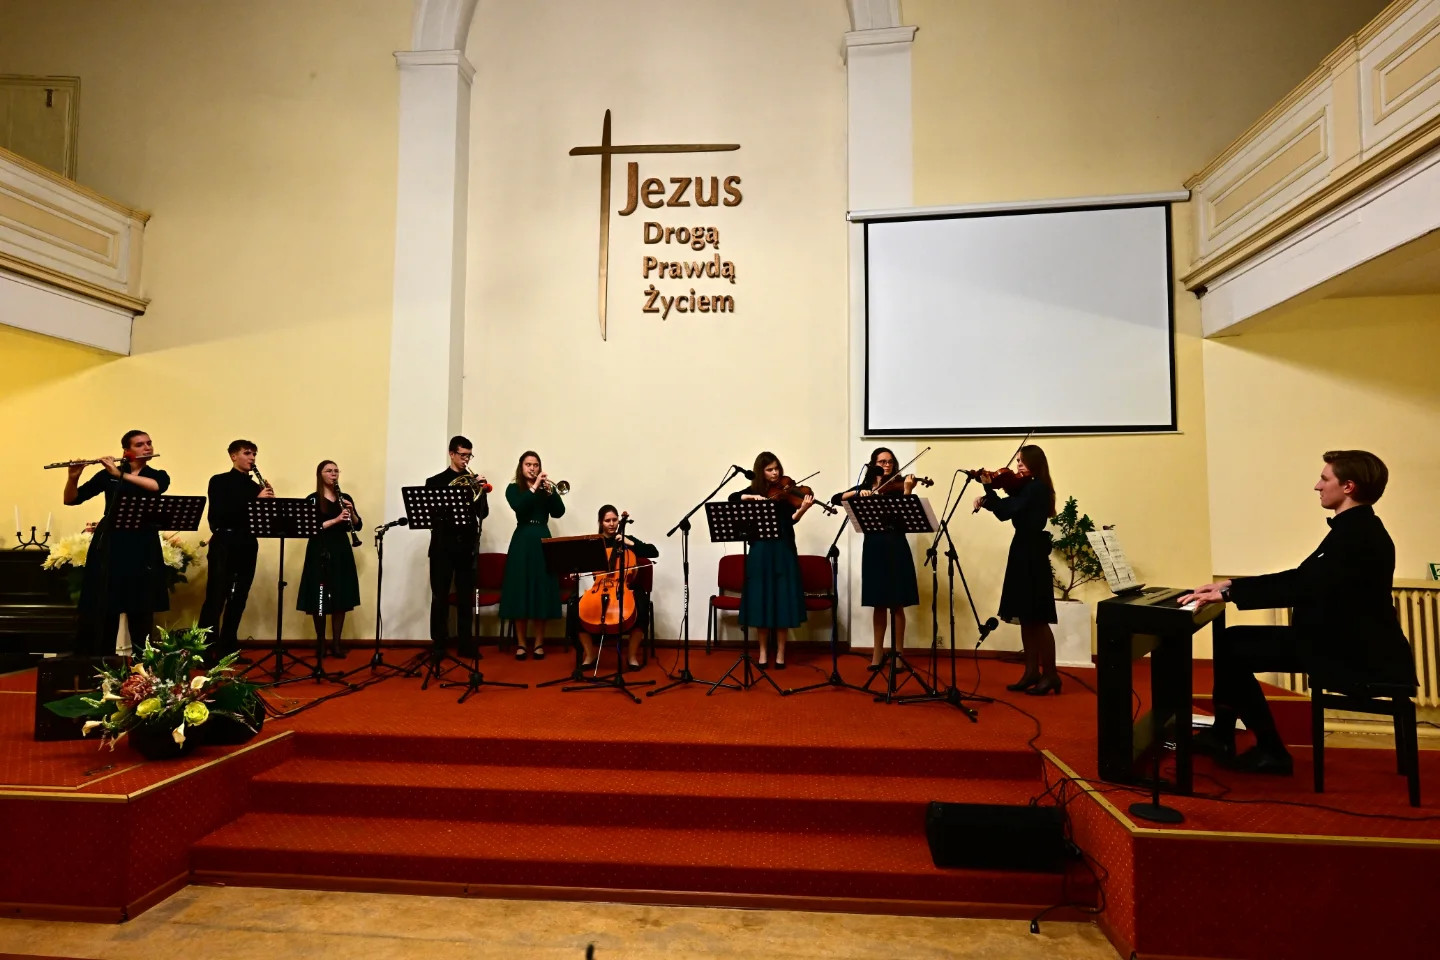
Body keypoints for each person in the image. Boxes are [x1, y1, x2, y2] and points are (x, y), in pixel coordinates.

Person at [1180, 450, 1416, 775]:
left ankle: (1270, 750)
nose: (1317, 486)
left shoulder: (1358, 535)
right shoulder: (1356, 528)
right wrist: (1230, 585)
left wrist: (1230, 593)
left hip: (1353, 653)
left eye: (1325, 479)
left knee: (1233, 647)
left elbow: (1303, 586)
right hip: (1343, 641)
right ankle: (1223, 735)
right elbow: (1304, 577)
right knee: (1232, 641)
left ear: (1348, 486)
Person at [62, 430, 170, 656]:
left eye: (149, 443)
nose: (148, 447)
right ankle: (104, 663)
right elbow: (71, 499)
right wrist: (73, 477)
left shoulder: (158, 475)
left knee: (141, 606)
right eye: (140, 444)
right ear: (127, 451)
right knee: (106, 604)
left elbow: (154, 487)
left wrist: (119, 474)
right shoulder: (107, 475)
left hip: (142, 545)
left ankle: (143, 664)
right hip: (111, 543)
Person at [972, 445, 1060, 695]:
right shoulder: (1027, 488)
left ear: (1035, 462)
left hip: (1031, 552)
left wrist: (988, 489)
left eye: (1022, 461)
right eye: (1018, 461)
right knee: (1026, 616)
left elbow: (1006, 511)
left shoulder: (1036, 488)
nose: (1018, 465)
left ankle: (1051, 675)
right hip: (1022, 549)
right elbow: (1005, 508)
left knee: (1037, 618)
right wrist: (988, 498)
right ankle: (1031, 672)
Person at [836, 447, 920, 670]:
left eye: (890, 461)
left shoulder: (899, 485)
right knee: (879, 603)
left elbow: (906, 515)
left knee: (897, 603)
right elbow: (837, 498)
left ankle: (899, 653)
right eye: (882, 461)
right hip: (874, 547)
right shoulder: (865, 486)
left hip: (896, 545)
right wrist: (859, 493)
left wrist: (908, 490)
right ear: (874, 464)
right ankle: (877, 652)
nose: (887, 465)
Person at [730, 451, 814, 669]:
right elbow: (733, 498)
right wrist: (751, 498)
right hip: (760, 550)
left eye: (777, 468)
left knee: (782, 599)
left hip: (783, 548)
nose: (775, 473)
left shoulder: (787, 492)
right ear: (761, 472)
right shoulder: (753, 490)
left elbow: (790, 521)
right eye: (769, 470)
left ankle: (780, 653)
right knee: (761, 599)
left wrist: (803, 510)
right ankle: (763, 652)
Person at [198, 439, 274, 661]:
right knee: (216, 597)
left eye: (254, 454)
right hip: (224, 542)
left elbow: (262, 522)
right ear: (233, 456)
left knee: (239, 598)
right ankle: (205, 651)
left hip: (247, 543)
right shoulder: (219, 481)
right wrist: (255, 501)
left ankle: (228, 648)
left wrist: (268, 504)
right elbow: (221, 515)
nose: (252, 458)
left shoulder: (255, 486)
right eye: (247, 453)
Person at [425, 435, 489, 659]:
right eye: (462, 455)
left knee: (465, 597)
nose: (466, 460)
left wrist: (481, 490)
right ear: (451, 454)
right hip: (442, 546)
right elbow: (430, 515)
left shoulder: (472, 481)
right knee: (439, 596)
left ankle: (465, 643)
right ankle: (439, 644)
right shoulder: (435, 482)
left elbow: (483, 513)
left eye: (469, 455)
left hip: (466, 546)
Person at [575, 504, 659, 670]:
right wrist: (576, 570)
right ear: (601, 522)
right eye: (608, 521)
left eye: (615, 520)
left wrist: (630, 543)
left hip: (626, 588)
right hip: (599, 588)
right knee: (575, 608)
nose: (612, 524)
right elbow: (581, 562)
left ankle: (632, 655)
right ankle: (590, 654)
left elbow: (653, 552)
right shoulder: (595, 542)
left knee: (642, 607)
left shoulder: (626, 539)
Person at [499, 451, 565, 659]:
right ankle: (521, 643)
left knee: (541, 590)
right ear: (521, 467)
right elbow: (519, 507)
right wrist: (534, 487)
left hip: (542, 538)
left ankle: (538, 643)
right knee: (520, 591)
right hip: (522, 539)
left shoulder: (545, 489)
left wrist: (551, 493)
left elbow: (559, 512)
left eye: (536, 465)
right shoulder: (513, 488)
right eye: (528, 464)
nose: (532, 468)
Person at [296, 460, 362, 657]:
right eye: (329, 471)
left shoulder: (345, 498)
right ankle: (321, 643)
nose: (334, 474)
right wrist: (335, 520)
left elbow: (358, 525)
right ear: (320, 474)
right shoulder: (312, 499)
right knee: (319, 595)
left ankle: (337, 643)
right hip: (319, 549)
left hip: (341, 549)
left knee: (341, 595)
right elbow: (309, 527)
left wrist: (351, 512)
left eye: (336, 471)